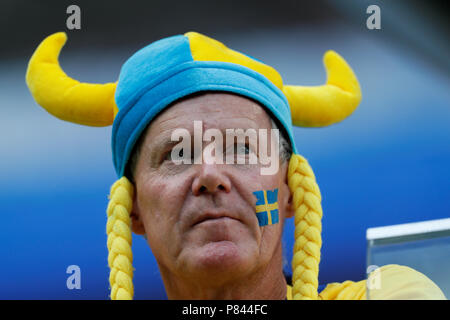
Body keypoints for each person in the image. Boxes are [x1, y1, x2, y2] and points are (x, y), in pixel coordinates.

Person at [26, 31, 446, 300]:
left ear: (288, 191)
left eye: (243, 149)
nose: (210, 175)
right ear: (132, 208)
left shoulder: (389, 292)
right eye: (176, 154)